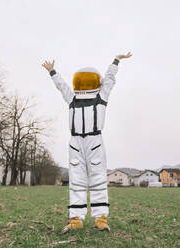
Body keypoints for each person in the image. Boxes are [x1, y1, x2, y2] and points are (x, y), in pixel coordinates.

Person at [42, 52, 132, 233]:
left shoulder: (101, 98)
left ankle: (100, 218)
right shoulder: (73, 99)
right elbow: (62, 86)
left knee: (98, 180)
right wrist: (53, 72)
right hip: (76, 143)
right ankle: (76, 219)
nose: (84, 84)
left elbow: (109, 79)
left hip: (94, 141)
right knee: (76, 181)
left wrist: (116, 61)